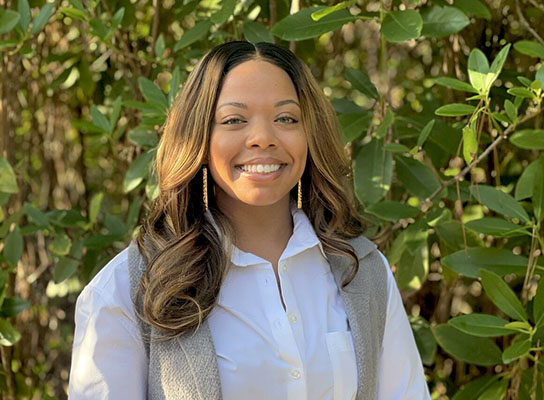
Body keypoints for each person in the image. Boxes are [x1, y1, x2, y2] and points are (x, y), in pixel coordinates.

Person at [68, 41, 430, 399]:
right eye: (234, 120)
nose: (262, 138)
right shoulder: (126, 291)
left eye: (286, 118)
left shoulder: (363, 272)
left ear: (310, 136)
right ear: (200, 139)